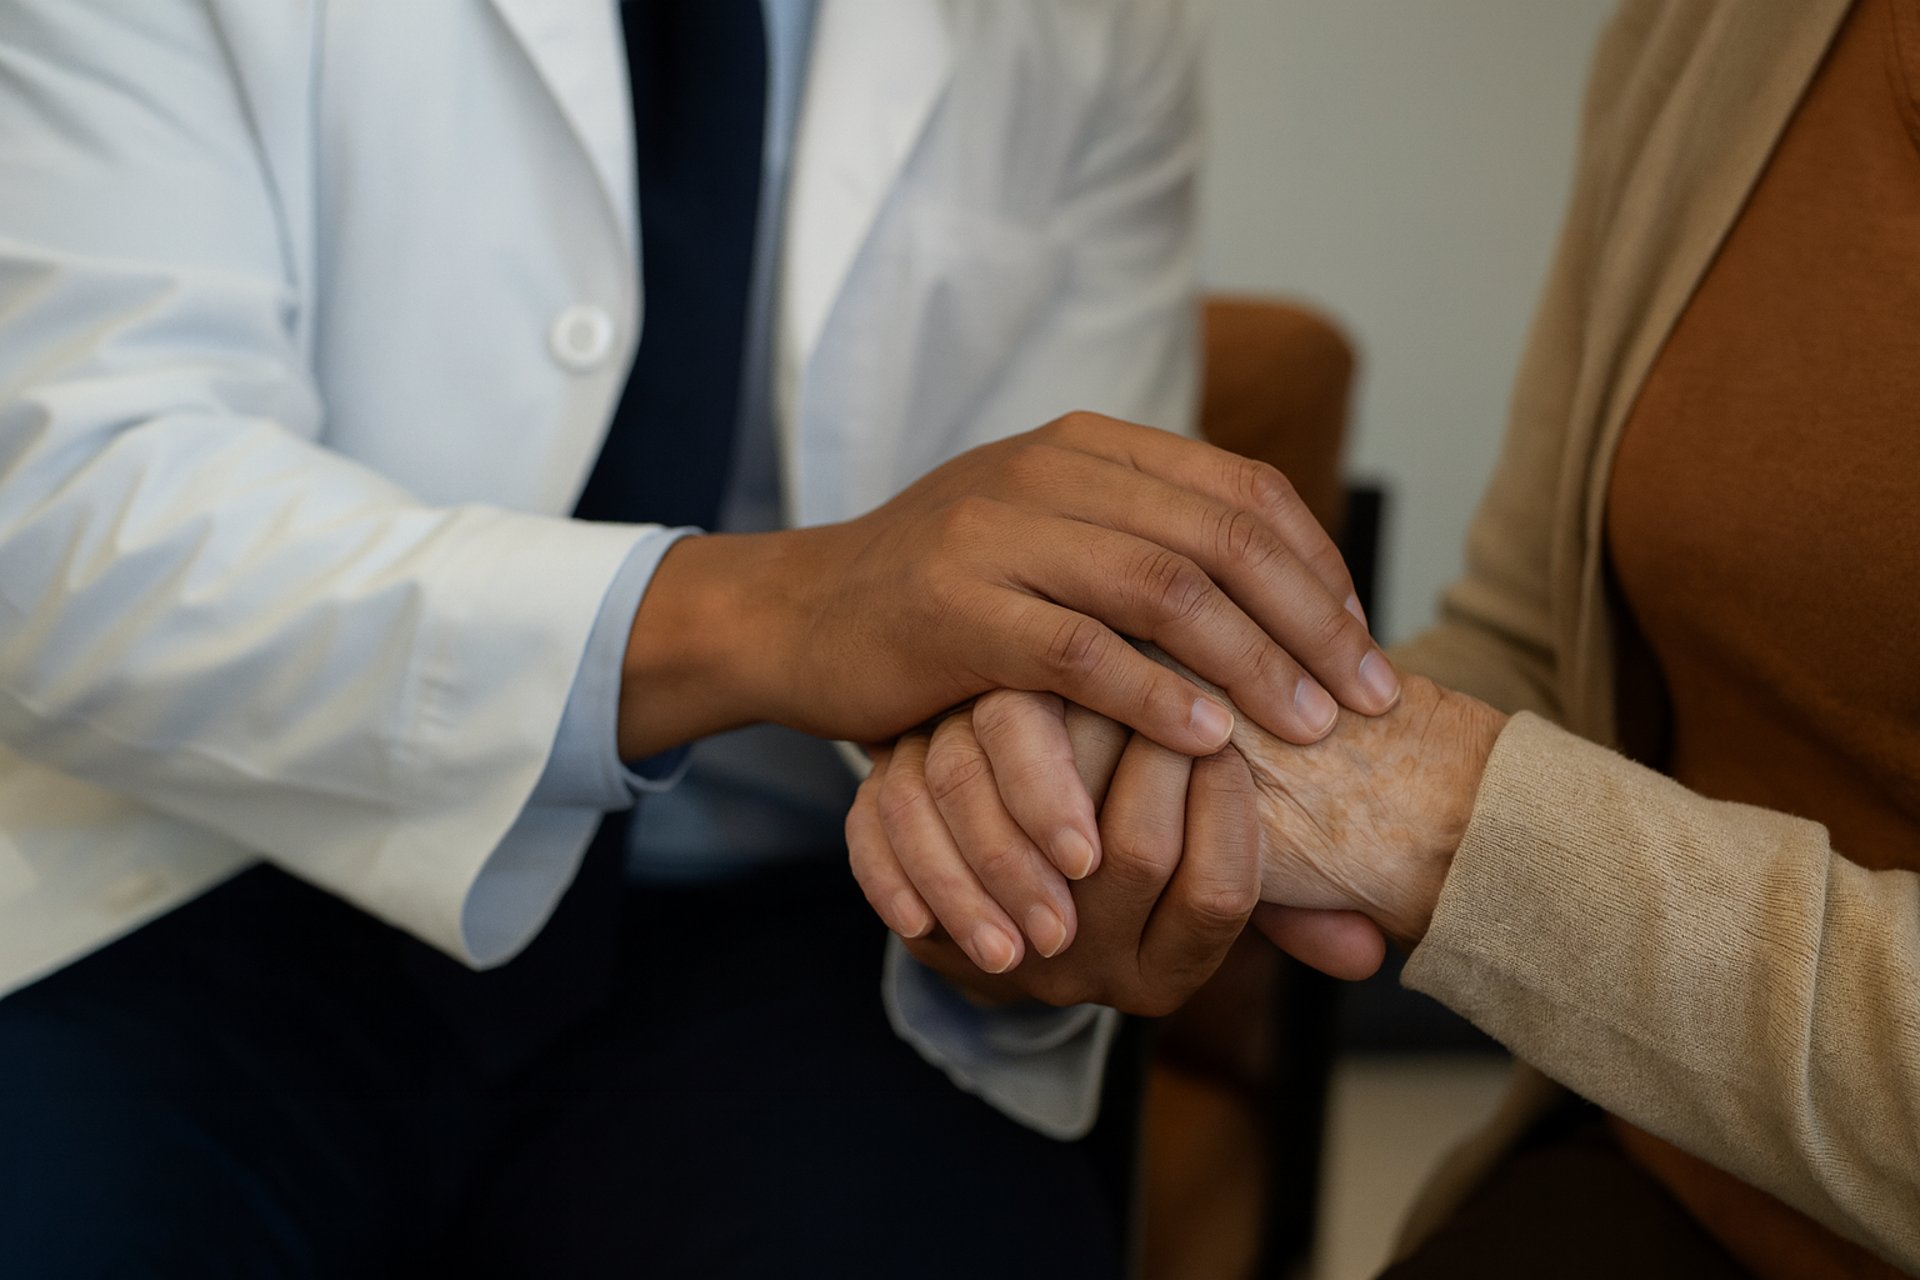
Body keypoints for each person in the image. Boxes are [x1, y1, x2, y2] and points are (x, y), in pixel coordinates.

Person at [0, 1, 1408, 1273]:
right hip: (208, 859)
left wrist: (1028, 813)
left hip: (805, 922)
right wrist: (786, 610)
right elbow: (67, 511)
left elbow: (1069, 599)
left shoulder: (1088, 25)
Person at [850, 0, 1920, 1274]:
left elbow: (1447, 779)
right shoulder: (1719, 31)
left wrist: (1447, 818)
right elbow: (1537, 648)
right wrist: (1108, 736)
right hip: (1678, 1168)